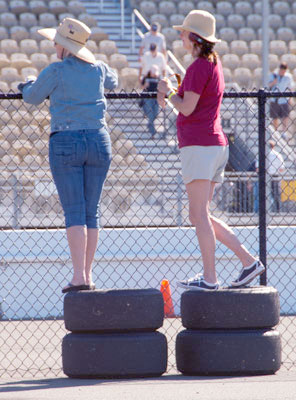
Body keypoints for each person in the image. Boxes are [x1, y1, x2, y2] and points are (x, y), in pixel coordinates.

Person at [157, 10, 265, 291]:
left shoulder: (197, 66)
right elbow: (198, 102)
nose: (180, 35)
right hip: (215, 145)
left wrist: (168, 92)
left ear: (194, 38)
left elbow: (187, 107)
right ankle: (248, 261)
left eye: (184, 32)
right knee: (200, 214)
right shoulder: (212, 64)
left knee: (199, 215)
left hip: (200, 145)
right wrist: (179, 89)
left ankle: (210, 278)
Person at [18, 18, 118, 293]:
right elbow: (114, 79)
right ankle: (88, 273)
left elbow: (32, 97)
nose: (53, 45)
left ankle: (79, 277)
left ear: (63, 46)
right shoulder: (97, 68)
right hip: (99, 139)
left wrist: (25, 84)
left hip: (66, 139)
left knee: (74, 211)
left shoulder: (56, 70)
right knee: (92, 211)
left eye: (56, 42)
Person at [268, 62, 294, 136]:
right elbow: (268, 85)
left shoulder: (288, 77)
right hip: (274, 99)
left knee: (285, 116)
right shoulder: (273, 75)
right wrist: (274, 82)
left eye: (284, 70)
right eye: (281, 70)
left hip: (284, 99)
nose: (282, 72)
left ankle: (284, 132)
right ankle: (275, 131)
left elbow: (290, 87)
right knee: (275, 117)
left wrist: (290, 98)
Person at [141, 64, 160, 137]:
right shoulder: (146, 77)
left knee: (156, 113)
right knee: (151, 114)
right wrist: (145, 85)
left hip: (156, 98)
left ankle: (149, 125)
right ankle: (153, 132)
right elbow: (142, 86)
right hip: (147, 98)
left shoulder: (158, 78)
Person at [267, 140, 285, 212]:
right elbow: (282, 168)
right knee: (276, 194)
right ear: (273, 146)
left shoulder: (264, 154)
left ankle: (267, 210)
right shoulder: (278, 155)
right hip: (275, 176)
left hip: (266, 176)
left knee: (266, 194)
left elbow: (257, 167)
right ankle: (277, 211)